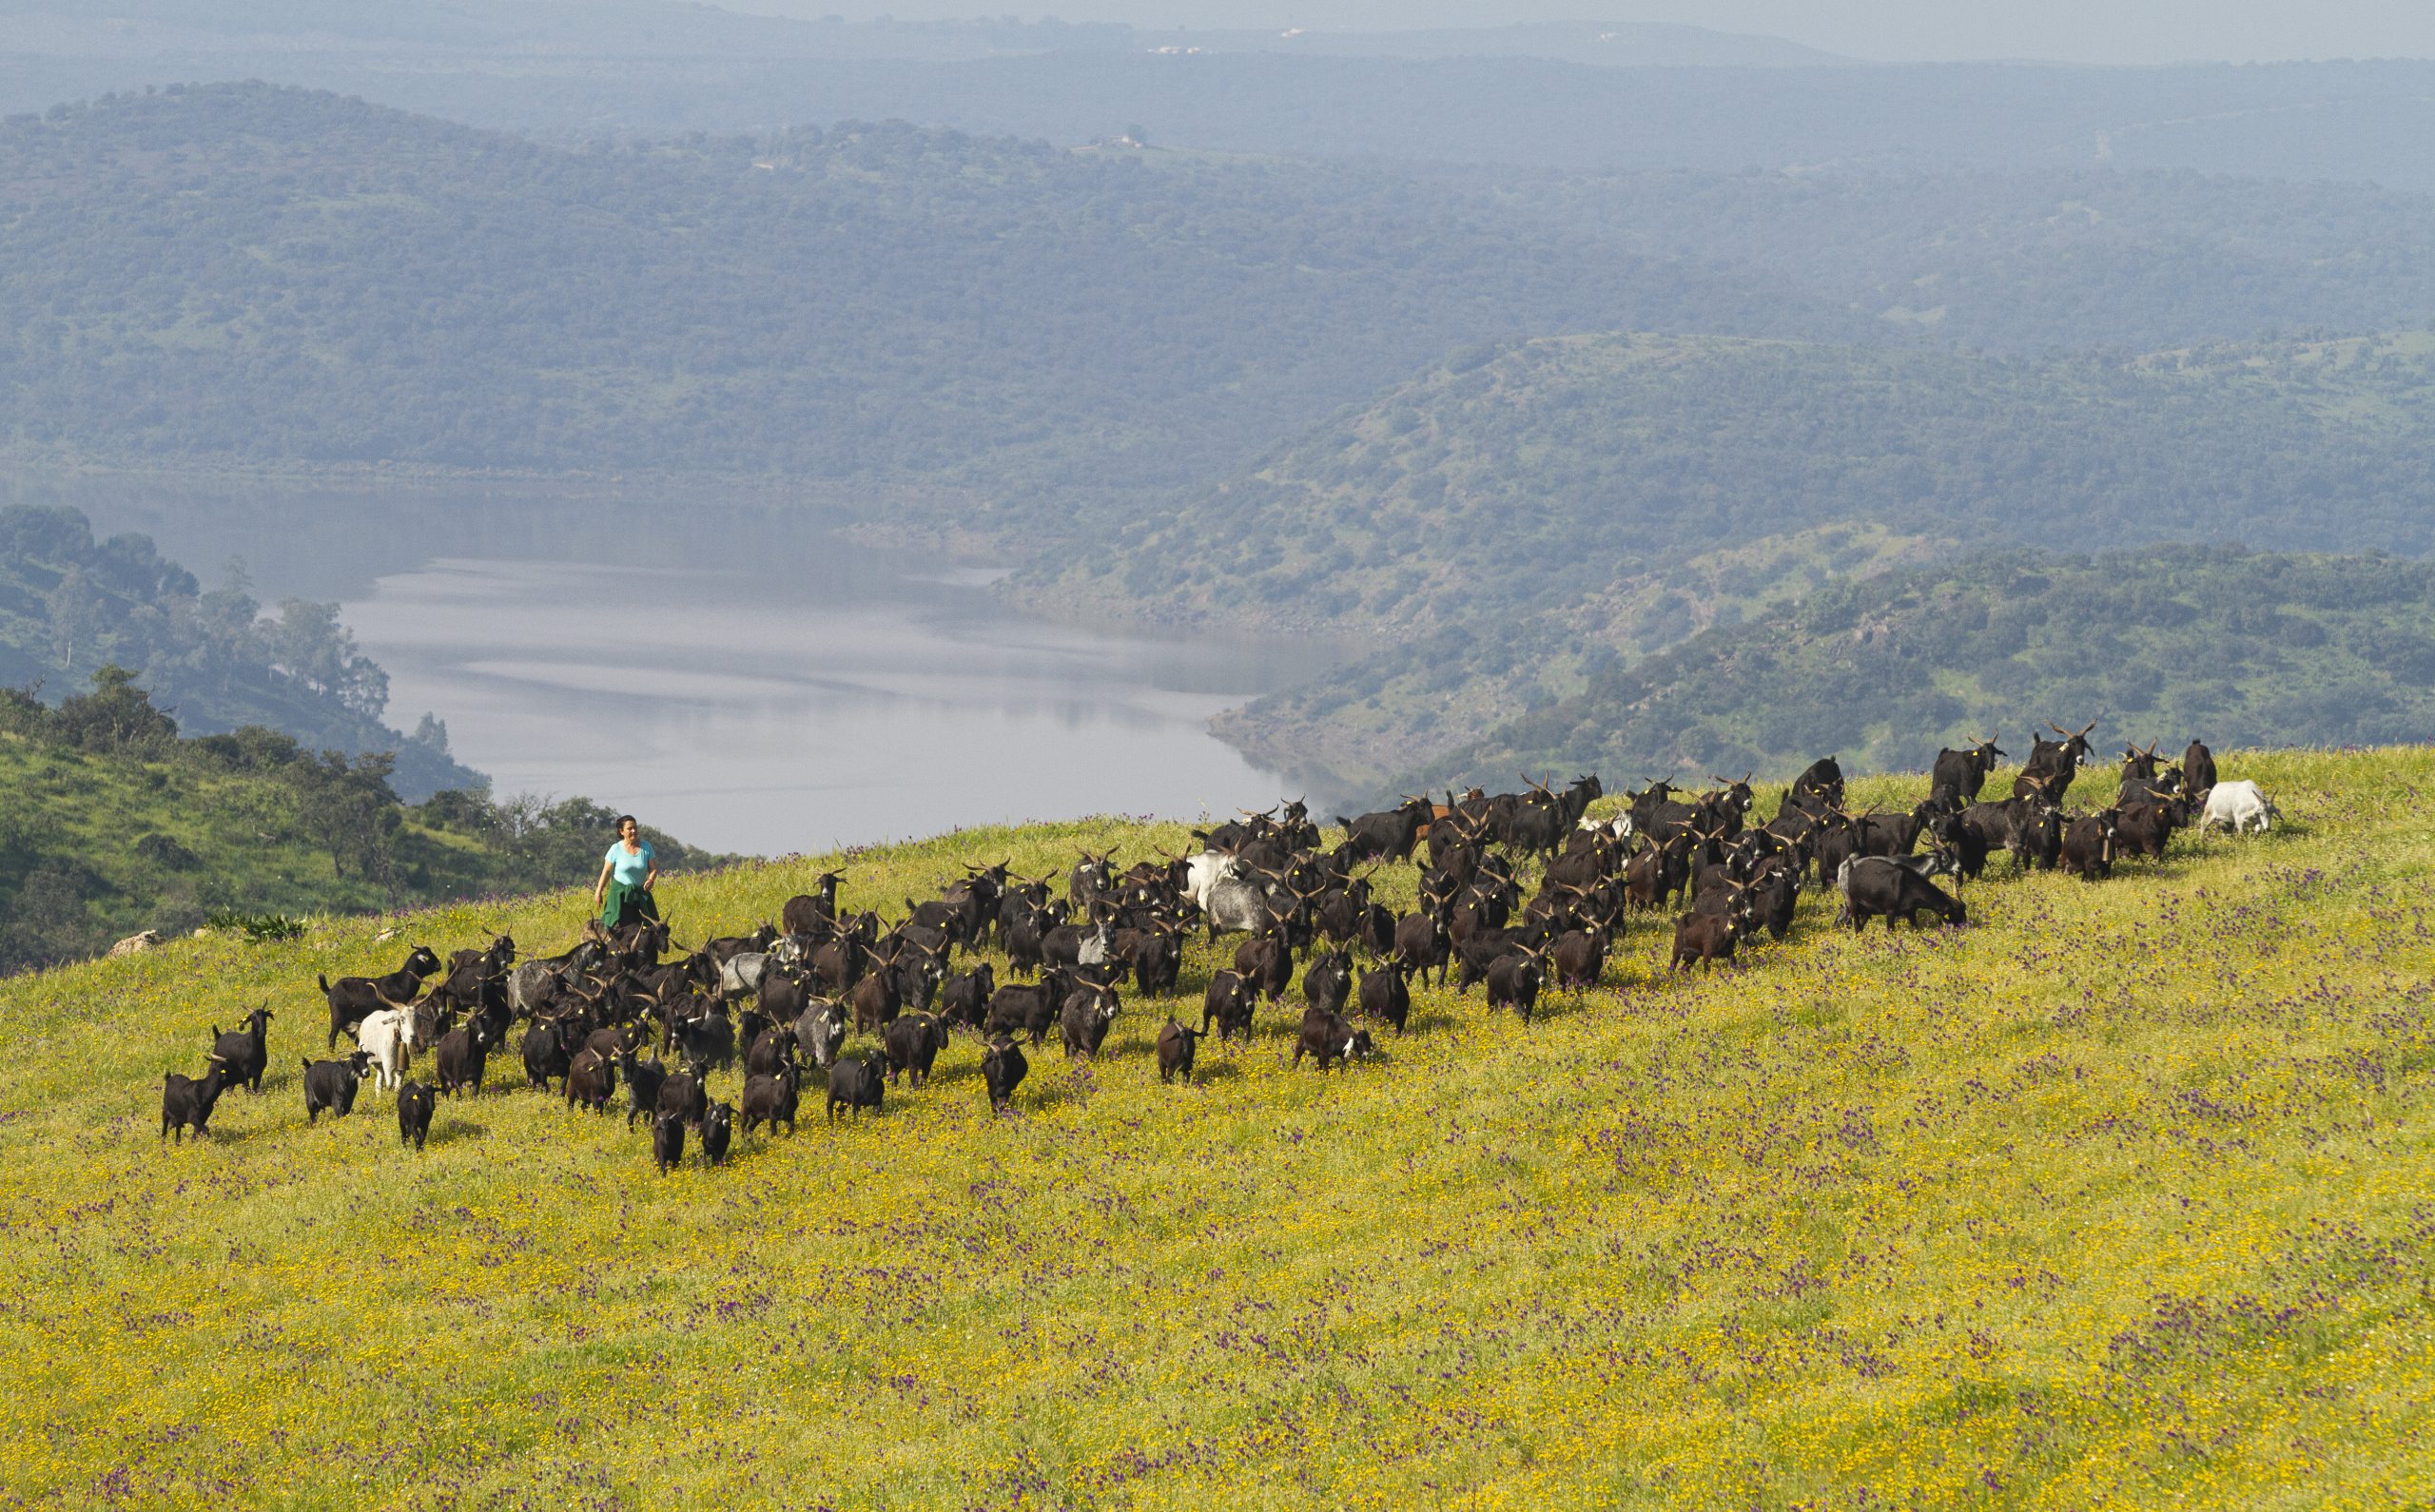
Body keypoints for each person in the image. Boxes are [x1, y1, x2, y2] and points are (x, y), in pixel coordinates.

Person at [594, 814, 659, 931]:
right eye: (630, 828)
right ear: (621, 831)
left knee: (651, 930)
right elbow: (606, 872)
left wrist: (651, 880)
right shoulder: (615, 849)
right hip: (620, 896)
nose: (633, 831)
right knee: (615, 929)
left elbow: (653, 869)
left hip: (640, 896)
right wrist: (598, 892)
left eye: (635, 827)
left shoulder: (646, 847)